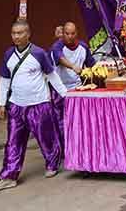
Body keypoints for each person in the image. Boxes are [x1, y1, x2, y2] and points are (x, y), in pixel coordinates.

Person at [0, 20, 68, 192]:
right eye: (13, 33)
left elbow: (52, 75)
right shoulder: (8, 55)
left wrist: (65, 95)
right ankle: (9, 176)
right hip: (16, 105)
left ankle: (52, 163)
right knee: (13, 142)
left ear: (28, 34)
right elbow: (4, 79)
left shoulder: (39, 53)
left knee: (46, 138)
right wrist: (2, 103)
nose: (16, 36)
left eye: (20, 33)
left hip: (39, 103)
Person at [49, 21, 96, 156]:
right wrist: (73, 66)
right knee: (61, 122)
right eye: (67, 33)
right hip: (60, 90)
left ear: (77, 33)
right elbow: (60, 58)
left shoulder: (83, 47)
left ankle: (79, 148)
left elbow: (91, 64)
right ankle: (64, 150)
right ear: (63, 34)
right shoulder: (57, 46)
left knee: (79, 120)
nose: (70, 36)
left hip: (77, 88)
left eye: (72, 33)